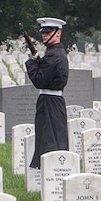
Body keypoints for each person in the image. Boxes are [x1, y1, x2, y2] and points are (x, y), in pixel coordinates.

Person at [27, 17, 69, 170]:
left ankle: (54, 175)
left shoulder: (54, 55)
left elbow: (39, 80)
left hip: (50, 103)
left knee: (50, 141)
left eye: (48, 32)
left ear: (58, 33)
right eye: (43, 32)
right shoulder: (53, 52)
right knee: (48, 139)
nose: (44, 35)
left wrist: (32, 63)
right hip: (50, 101)